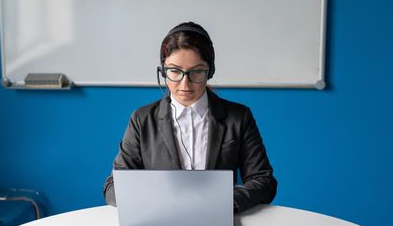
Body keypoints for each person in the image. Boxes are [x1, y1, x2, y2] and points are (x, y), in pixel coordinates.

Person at [103, 22, 277, 213]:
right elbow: (113, 186)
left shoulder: (238, 117)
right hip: (159, 221)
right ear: (163, 72)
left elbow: (263, 180)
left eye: (196, 72)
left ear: (209, 72)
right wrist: (153, 202)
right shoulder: (141, 120)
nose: (185, 83)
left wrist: (225, 202)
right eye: (175, 71)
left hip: (218, 219)